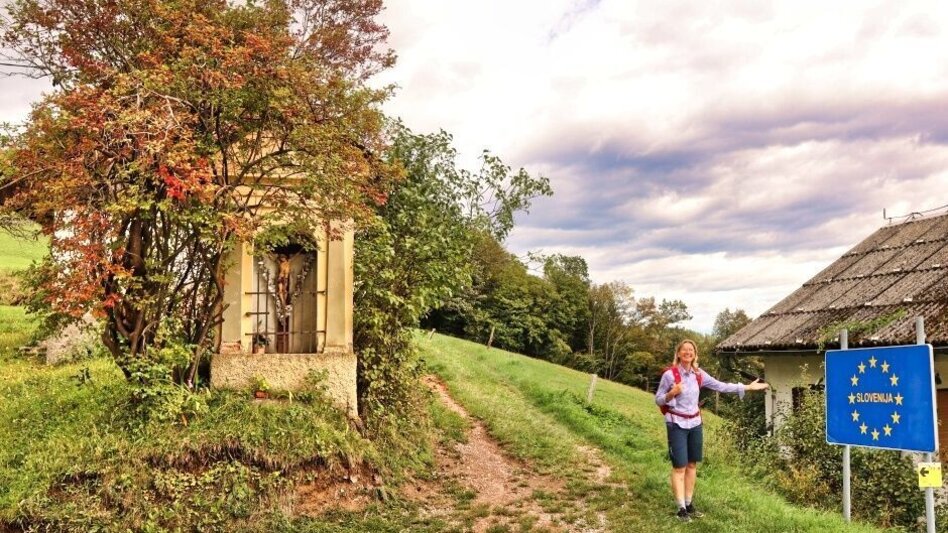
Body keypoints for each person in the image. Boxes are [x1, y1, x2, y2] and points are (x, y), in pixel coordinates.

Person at [654, 339, 769, 522]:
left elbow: (721, 386)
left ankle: (689, 504)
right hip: (676, 423)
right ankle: (681, 509)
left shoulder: (699, 374)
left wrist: (747, 387)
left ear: (695, 354)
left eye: (691, 350)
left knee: (692, 465)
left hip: (695, 424)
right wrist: (671, 393)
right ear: (678, 354)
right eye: (684, 350)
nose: (688, 352)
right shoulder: (670, 375)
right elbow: (659, 400)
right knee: (679, 467)